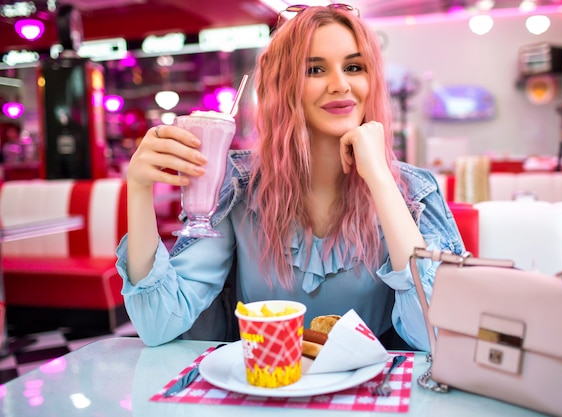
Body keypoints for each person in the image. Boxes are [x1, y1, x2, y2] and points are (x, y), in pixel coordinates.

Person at [115, 4, 465, 350]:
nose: (340, 85)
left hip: (371, 401)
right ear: (282, 84)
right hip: (262, 393)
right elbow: (158, 323)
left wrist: (381, 178)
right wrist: (139, 189)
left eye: (354, 67)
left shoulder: (413, 193)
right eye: (314, 69)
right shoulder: (238, 188)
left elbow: (439, 335)